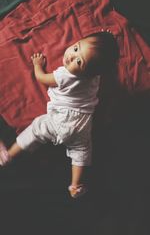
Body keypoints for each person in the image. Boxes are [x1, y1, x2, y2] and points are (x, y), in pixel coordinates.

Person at [0, 32, 118, 198]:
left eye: (79, 61)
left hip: (62, 120)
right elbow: (101, 60)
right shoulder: (95, 76)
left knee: (36, 129)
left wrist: (37, 65)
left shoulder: (65, 76)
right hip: (82, 123)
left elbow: (42, 78)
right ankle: (75, 184)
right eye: (76, 48)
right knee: (81, 150)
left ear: (87, 71)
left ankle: (8, 155)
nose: (71, 57)